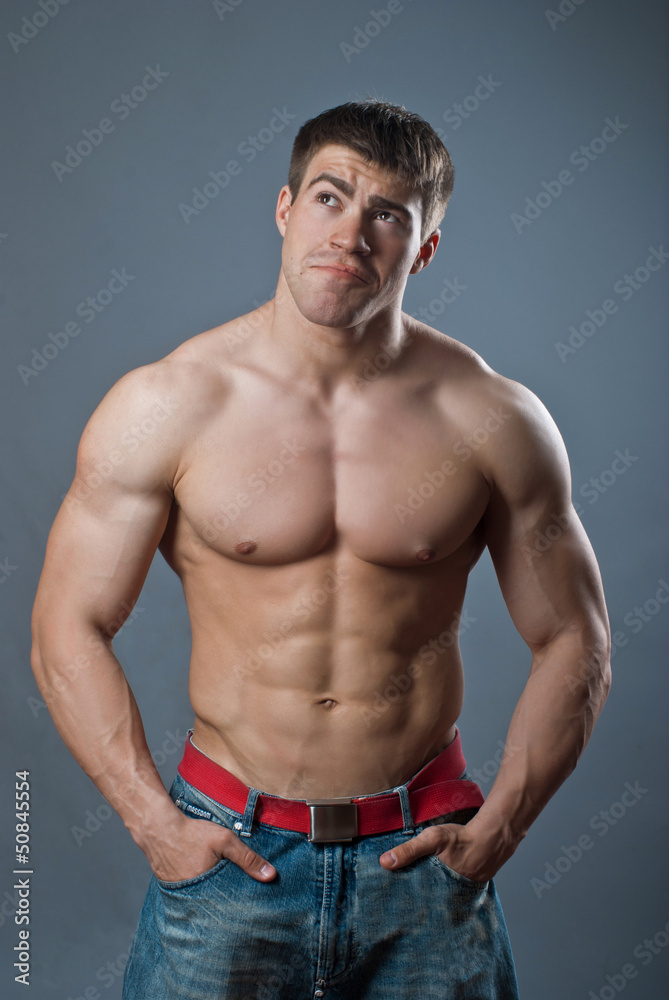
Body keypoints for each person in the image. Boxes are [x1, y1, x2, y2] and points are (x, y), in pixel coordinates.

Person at [31, 100, 611, 999]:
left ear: (423, 248)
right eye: (329, 197)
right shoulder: (168, 404)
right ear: (282, 208)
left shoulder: (491, 418)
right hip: (224, 854)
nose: (349, 232)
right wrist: (155, 826)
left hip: (421, 867)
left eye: (387, 214)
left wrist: (499, 832)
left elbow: (577, 637)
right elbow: (66, 625)